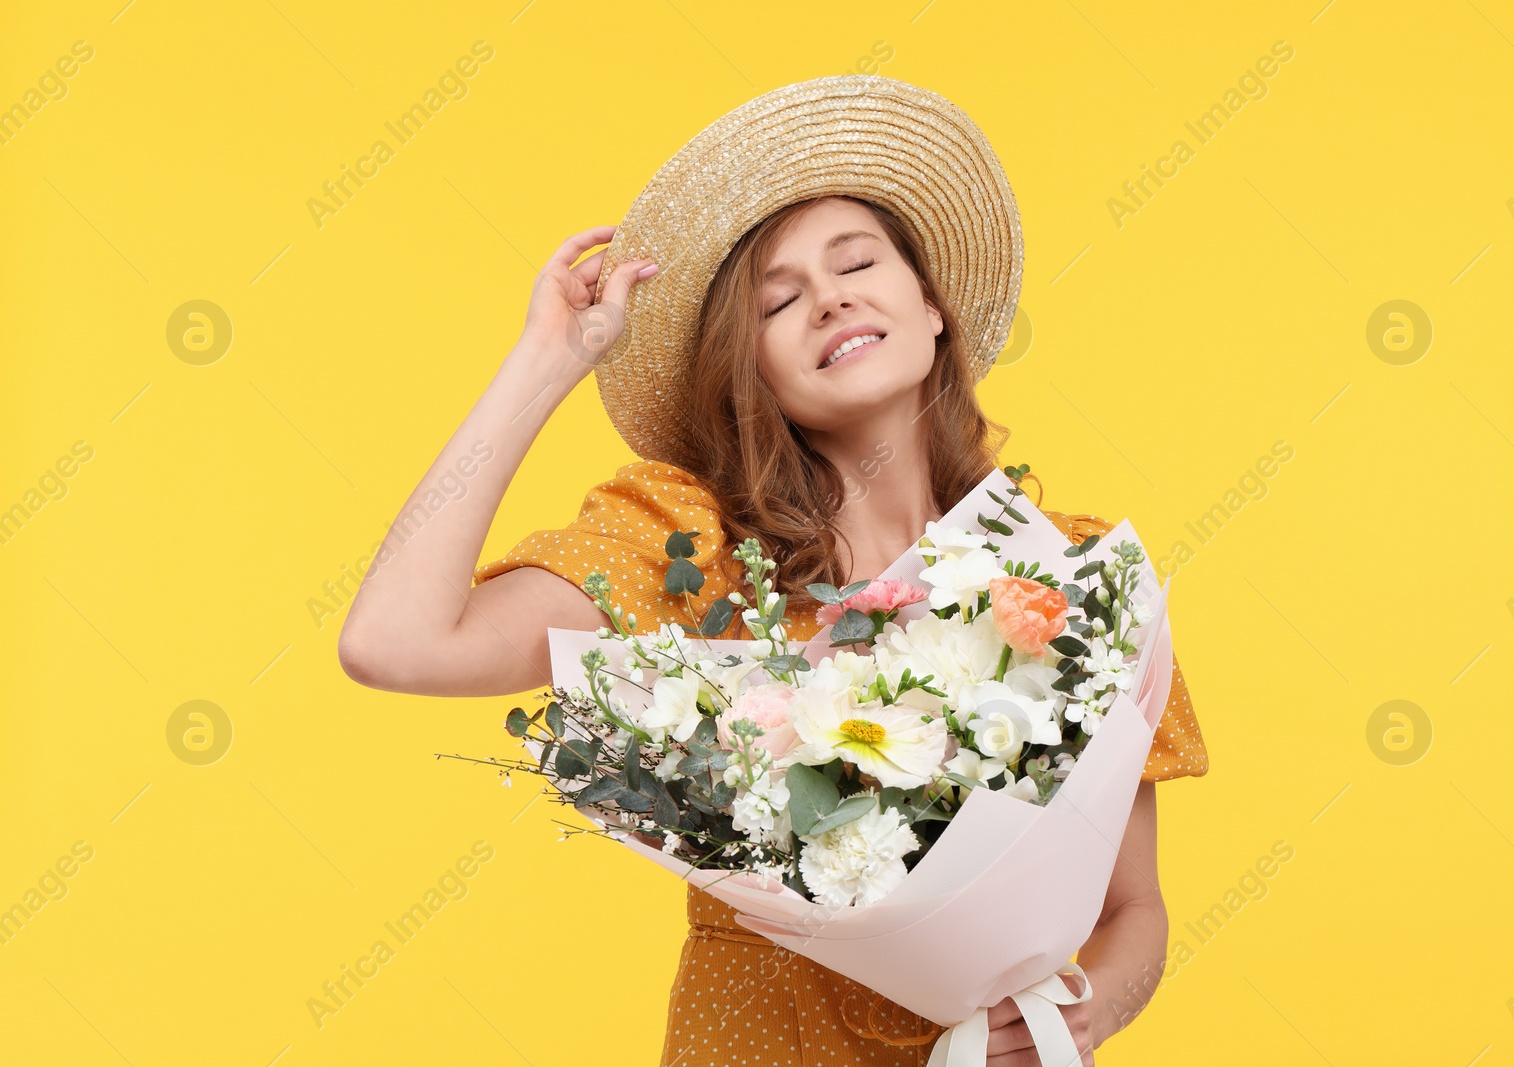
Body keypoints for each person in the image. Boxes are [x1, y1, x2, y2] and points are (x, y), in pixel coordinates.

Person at [338, 75, 1208, 1067]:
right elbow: (393, 642)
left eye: (855, 264)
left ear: (931, 312)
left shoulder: (1063, 573)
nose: (828, 296)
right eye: (779, 299)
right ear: (750, 369)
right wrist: (546, 361)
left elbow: (1134, 906)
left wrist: (1077, 1012)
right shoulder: (692, 546)